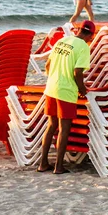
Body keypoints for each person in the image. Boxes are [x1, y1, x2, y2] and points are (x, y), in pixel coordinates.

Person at [38, 20, 95, 174]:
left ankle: (43, 164)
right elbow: (78, 73)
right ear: (90, 35)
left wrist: (54, 78)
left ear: (78, 30)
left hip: (51, 88)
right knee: (64, 129)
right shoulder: (83, 47)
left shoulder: (62, 40)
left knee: (51, 126)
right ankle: (58, 166)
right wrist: (82, 89)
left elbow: (48, 65)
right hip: (66, 90)